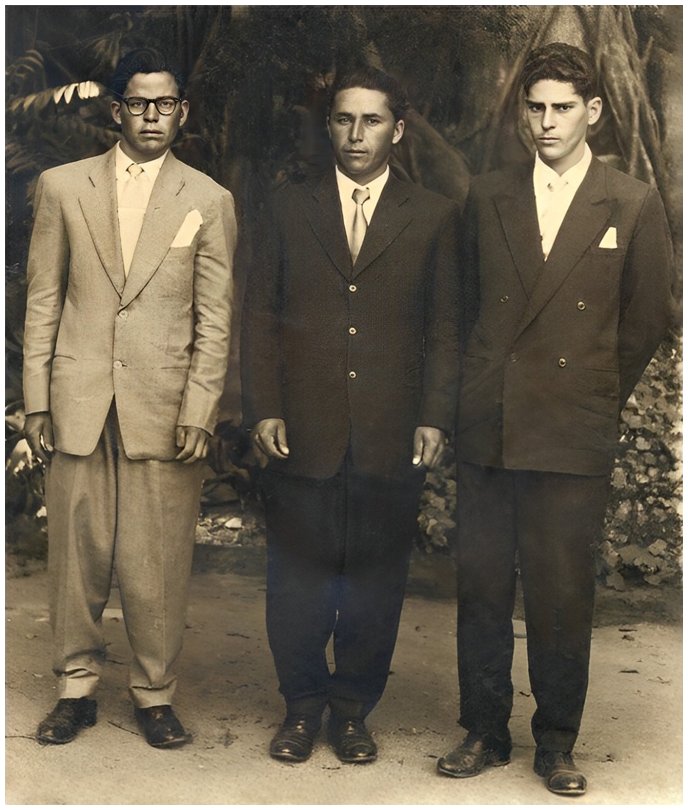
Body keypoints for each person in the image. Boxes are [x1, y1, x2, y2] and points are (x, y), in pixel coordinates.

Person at [437, 43, 675, 795]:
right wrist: (478, 390)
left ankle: (557, 743)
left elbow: (645, 321)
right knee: (481, 587)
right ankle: (483, 729)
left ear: (592, 112)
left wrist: (591, 395)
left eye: (563, 108)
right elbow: (463, 309)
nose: (547, 122)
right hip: (492, 423)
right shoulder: (487, 195)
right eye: (535, 107)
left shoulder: (630, 201)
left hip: (571, 428)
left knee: (562, 593)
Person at [241, 66, 460, 764]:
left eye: (371, 121)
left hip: (390, 434)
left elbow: (445, 329)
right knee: (297, 581)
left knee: (374, 582)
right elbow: (259, 317)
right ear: (329, 126)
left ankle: (353, 711)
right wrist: (265, 408)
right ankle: (301, 709)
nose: (356, 134)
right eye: (344, 119)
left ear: (398, 129)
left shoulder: (433, 215)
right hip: (303, 431)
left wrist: (434, 416)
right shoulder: (287, 207)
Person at [23, 48, 236, 748]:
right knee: (75, 554)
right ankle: (75, 688)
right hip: (79, 396)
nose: (151, 116)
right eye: (138, 104)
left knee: (157, 560)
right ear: (117, 110)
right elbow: (44, 299)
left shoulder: (208, 199)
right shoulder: (63, 187)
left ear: (182, 112)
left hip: (164, 404)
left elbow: (214, 319)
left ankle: (154, 694)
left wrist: (201, 408)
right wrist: (36, 400)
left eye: (164, 104)